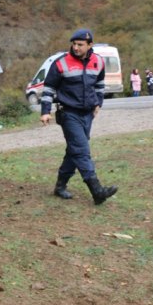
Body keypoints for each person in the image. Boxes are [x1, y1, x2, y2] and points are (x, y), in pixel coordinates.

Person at [40, 28, 118, 205]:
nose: (75, 47)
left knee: (74, 151)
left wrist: (98, 103)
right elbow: (48, 88)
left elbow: (99, 84)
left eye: (80, 45)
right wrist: (45, 111)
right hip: (68, 113)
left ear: (90, 45)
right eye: (74, 44)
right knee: (82, 150)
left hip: (87, 114)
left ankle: (60, 186)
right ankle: (97, 190)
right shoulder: (61, 63)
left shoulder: (98, 61)